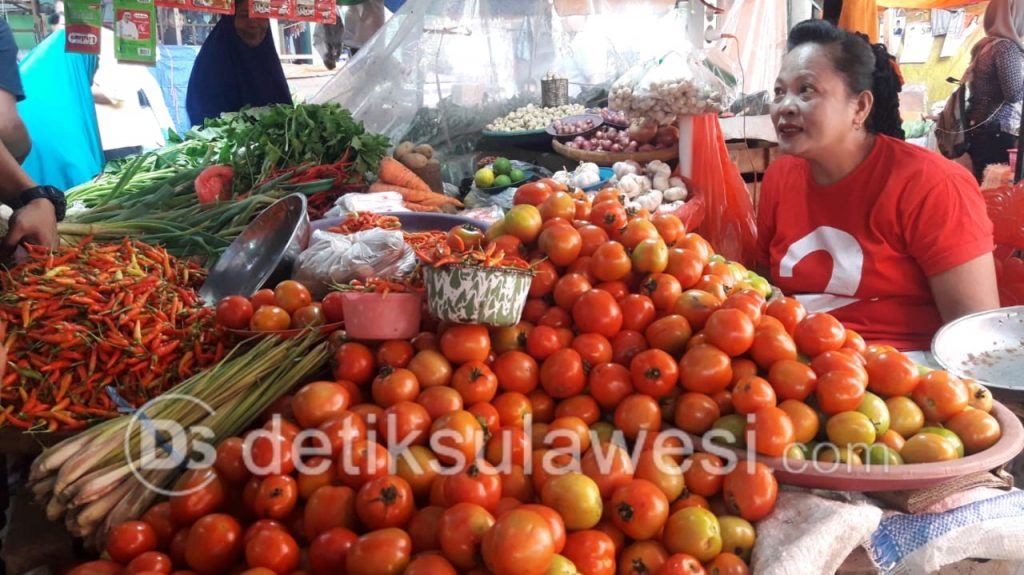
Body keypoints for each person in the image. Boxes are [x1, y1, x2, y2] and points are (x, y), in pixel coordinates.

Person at [757, 19, 999, 354]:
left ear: (859, 106)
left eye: (806, 90)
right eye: (779, 92)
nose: (785, 106)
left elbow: (975, 334)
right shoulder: (780, 177)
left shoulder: (933, 185)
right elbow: (762, 284)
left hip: (903, 373)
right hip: (793, 368)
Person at [17, 29, 103, 191]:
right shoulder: (65, 110)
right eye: (93, 65)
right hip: (44, 202)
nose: (91, 77)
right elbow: (83, 177)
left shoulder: (28, 78)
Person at [185, 3, 291, 126]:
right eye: (245, 15)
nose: (254, 23)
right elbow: (205, 124)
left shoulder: (268, 62)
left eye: (261, 15)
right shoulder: (211, 64)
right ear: (230, 18)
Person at [966, 0, 1024, 181]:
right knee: (997, 190)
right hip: (997, 132)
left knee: (984, 186)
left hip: (981, 127)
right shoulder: (1006, 47)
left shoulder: (985, 44)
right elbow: (1014, 93)